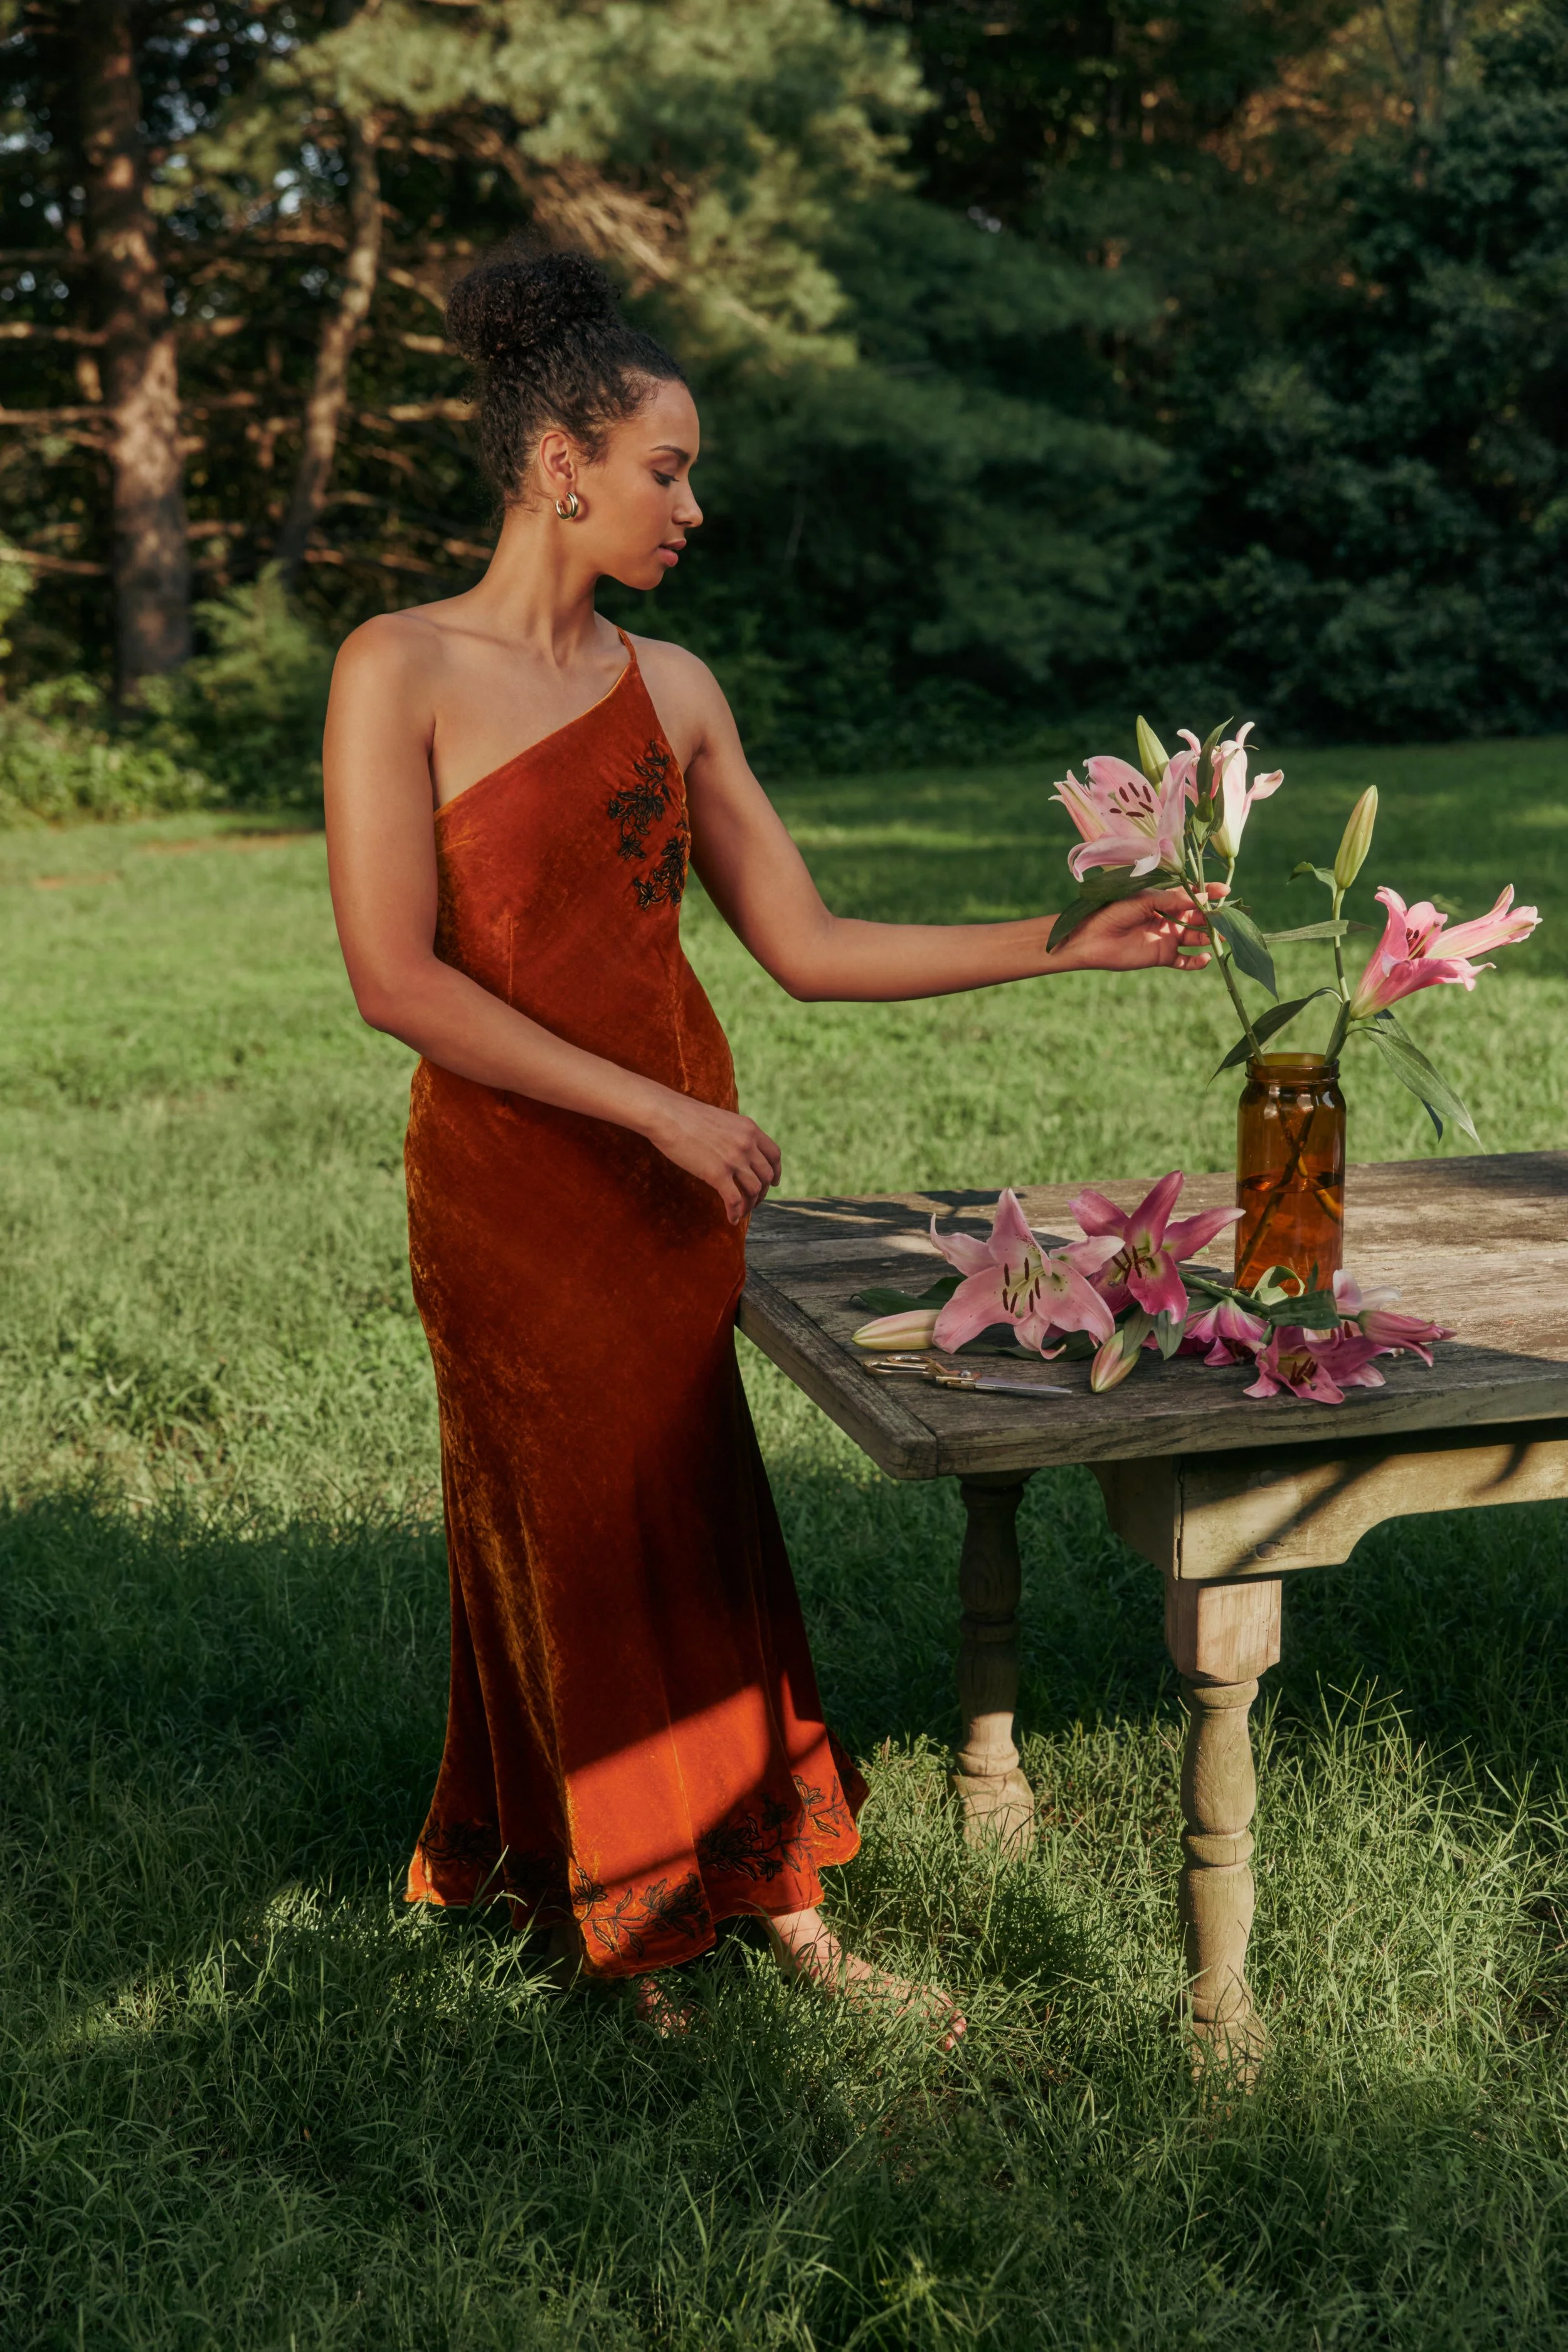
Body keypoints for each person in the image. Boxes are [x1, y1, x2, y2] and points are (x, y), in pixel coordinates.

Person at [322, 250, 1212, 2042]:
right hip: (513, 1189)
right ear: (562, 462)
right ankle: (633, 1915)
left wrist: (1064, 937)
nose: (694, 504)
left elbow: (803, 946)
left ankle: (778, 1891)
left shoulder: (681, 688)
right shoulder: (395, 666)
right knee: (573, 1529)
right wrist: (653, 1102)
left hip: (678, 1192)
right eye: (669, 468)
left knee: (698, 1518)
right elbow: (391, 978)